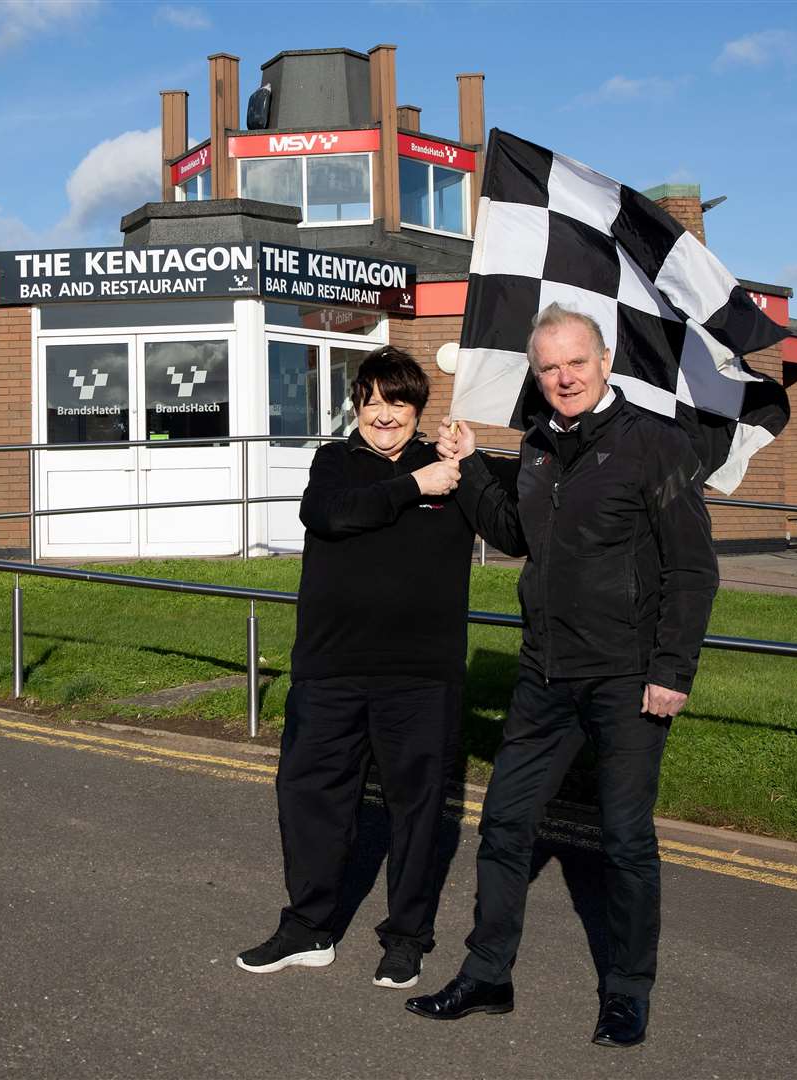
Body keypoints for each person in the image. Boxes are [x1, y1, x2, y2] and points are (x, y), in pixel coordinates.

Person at [405, 303, 718, 1047]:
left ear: (604, 361)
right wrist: (475, 463)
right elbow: (516, 536)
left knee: (623, 840)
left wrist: (670, 669)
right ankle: (487, 976)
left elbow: (692, 568)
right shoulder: (541, 446)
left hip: (627, 677)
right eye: (547, 367)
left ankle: (626, 993)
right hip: (544, 674)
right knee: (505, 825)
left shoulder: (654, 445)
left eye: (574, 362)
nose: (562, 378)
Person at [236, 345, 474, 991]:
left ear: (416, 407)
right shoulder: (334, 462)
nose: (382, 415)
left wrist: (467, 465)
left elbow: (516, 531)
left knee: (417, 809)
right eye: (369, 403)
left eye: (395, 402)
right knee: (309, 796)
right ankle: (308, 928)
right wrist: (412, 487)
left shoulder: (449, 467)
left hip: (419, 675)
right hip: (330, 668)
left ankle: (406, 938)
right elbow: (329, 515)